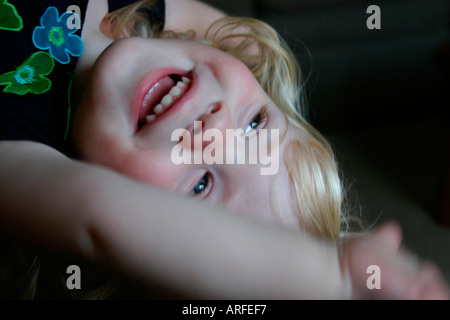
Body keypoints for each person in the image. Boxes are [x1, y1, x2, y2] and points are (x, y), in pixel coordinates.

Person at [0, 0, 448, 299]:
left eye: (199, 186)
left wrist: (332, 279)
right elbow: (247, 47)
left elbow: (93, 214)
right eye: (255, 123)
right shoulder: (146, 9)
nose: (212, 127)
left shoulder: (20, 150)